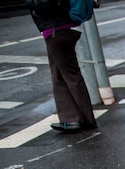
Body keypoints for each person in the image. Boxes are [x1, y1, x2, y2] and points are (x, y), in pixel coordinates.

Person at [29, 0, 97, 134]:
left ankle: (83, 119)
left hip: (58, 30)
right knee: (59, 74)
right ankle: (71, 119)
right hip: (66, 29)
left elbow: (45, 6)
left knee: (70, 75)